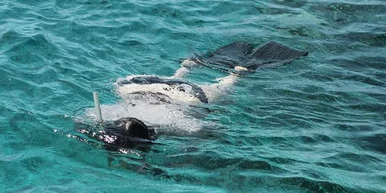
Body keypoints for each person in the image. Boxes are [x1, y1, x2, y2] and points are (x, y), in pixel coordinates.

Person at [83, 40, 308, 148]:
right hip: (135, 85)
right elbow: (85, 119)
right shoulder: (105, 115)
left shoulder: (175, 124)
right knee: (177, 79)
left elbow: (213, 130)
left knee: (222, 88)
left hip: (184, 96)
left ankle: (237, 73)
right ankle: (187, 65)